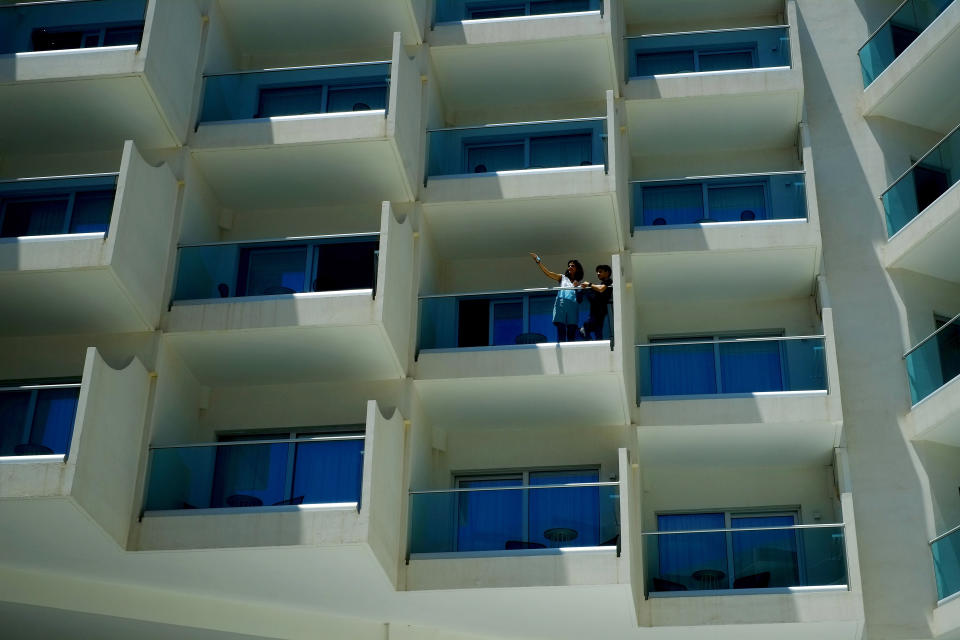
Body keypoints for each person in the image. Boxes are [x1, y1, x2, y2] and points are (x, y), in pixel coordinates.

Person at [529, 253, 583, 342]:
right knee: (561, 330)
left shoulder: (579, 283)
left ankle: (570, 352)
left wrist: (576, 288)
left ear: (577, 269)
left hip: (573, 306)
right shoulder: (562, 277)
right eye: (569, 266)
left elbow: (580, 300)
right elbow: (548, 273)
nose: (570, 267)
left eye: (572, 266)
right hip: (561, 303)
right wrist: (538, 261)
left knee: (571, 331)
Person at [579, 264, 613, 340]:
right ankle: (594, 343)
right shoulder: (602, 283)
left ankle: (592, 341)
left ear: (607, 272)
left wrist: (589, 284)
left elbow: (601, 289)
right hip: (597, 310)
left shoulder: (608, 281)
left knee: (586, 329)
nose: (598, 273)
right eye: (597, 272)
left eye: (600, 272)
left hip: (599, 310)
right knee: (596, 331)